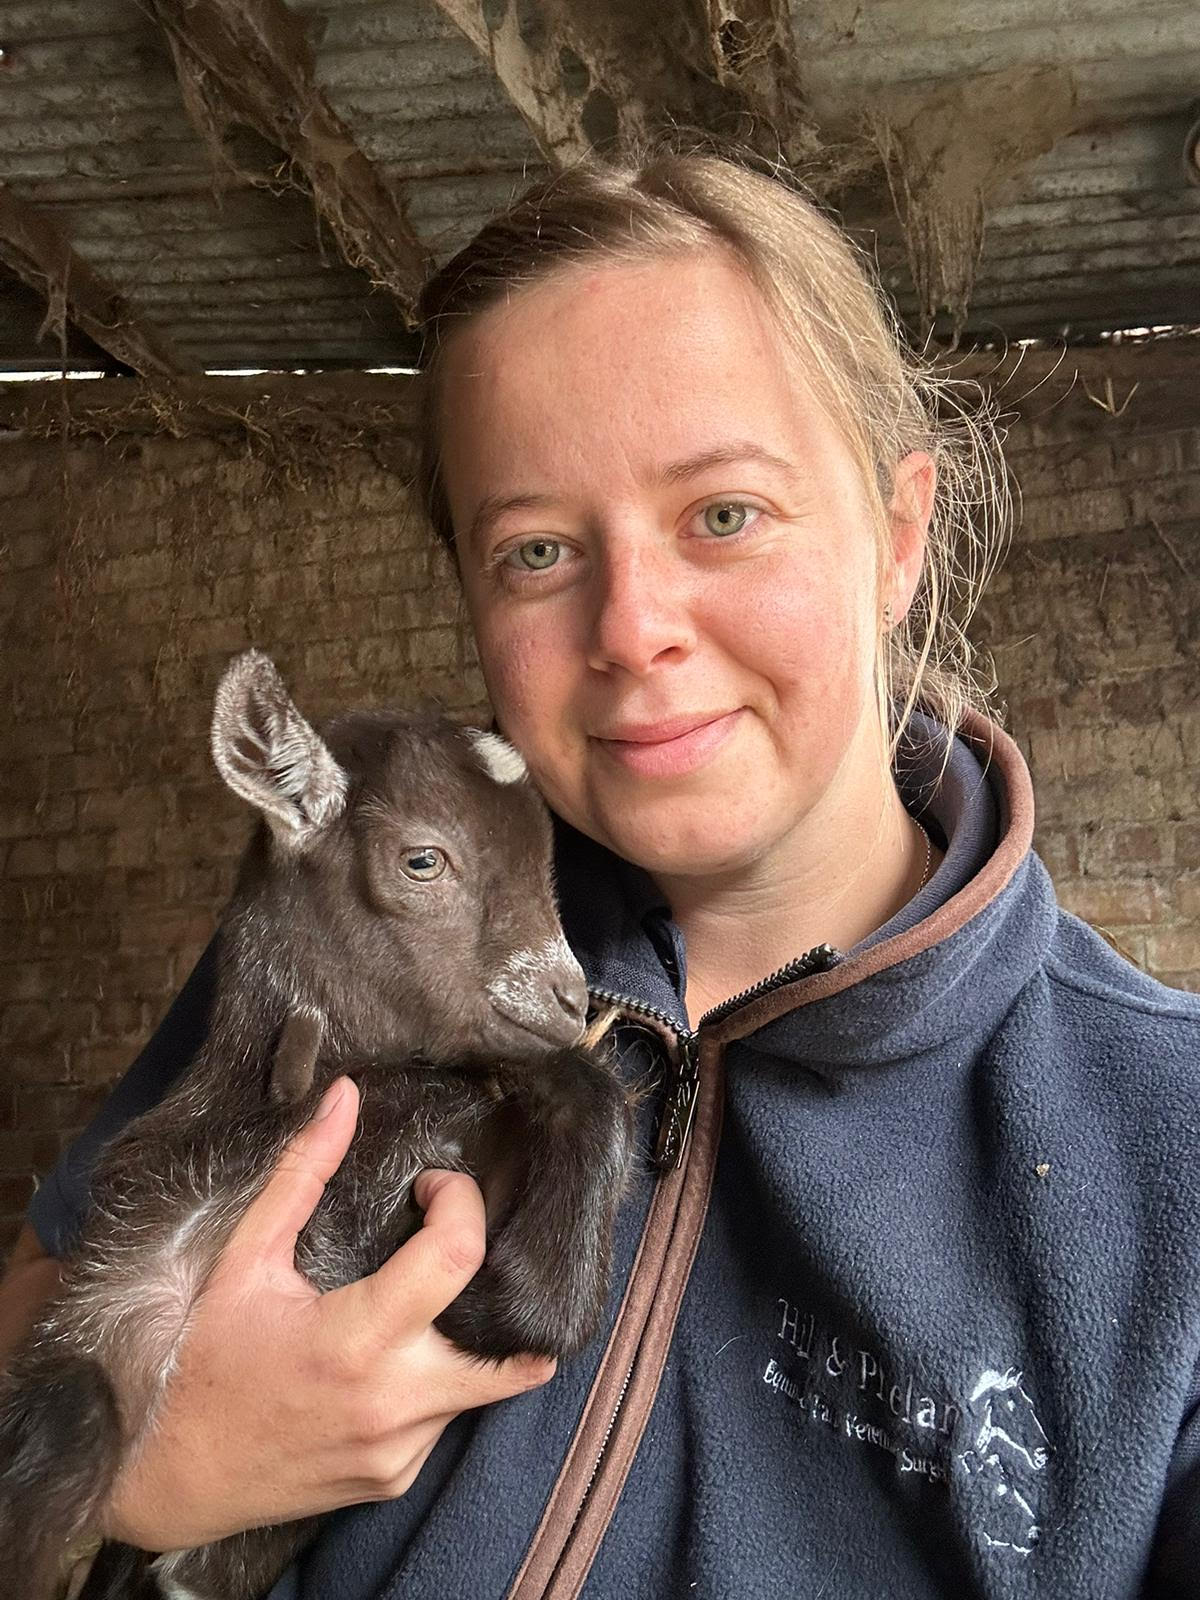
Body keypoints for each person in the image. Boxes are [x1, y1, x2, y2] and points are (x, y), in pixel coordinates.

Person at [3, 149, 1199, 1599]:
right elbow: (49, 1286)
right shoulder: (366, 914)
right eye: (539, 549)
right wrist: (151, 1457)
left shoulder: (1162, 1148)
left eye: (724, 515)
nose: (632, 628)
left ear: (897, 537)